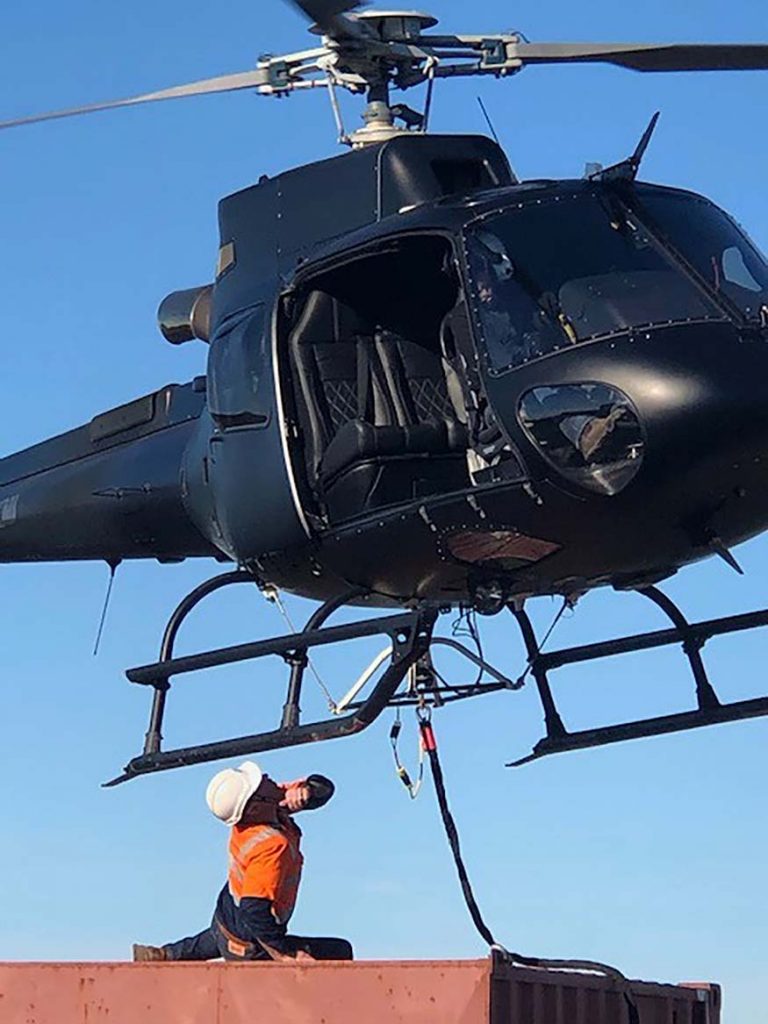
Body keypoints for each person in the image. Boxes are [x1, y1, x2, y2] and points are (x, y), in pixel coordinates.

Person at [132, 760, 352, 963]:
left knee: (211, 940)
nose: (266, 776)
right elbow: (254, 909)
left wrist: (307, 790)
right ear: (255, 806)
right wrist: (285, 955)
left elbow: (326, 790)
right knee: (340, 952)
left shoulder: (253, 818)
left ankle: (165, 954)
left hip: (224, 921)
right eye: (259, 783)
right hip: (247, 943)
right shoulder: (271, 845)